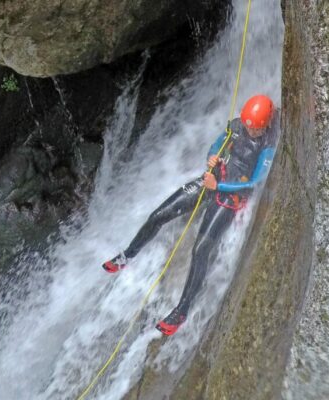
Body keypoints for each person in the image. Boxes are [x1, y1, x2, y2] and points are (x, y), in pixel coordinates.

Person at [101, 94, 279, 336]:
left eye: (255, 127)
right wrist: (212, 156)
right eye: (248, 125)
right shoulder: (236, 126)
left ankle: (181, 311)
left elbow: (255, 181)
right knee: (159, 215)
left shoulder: (267, 145)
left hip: (230, 197)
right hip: (213, 181)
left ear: (266, 124)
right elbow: (217, 144)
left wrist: (220, 187)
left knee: (201, 249)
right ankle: (127, 255)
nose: (250, 130)